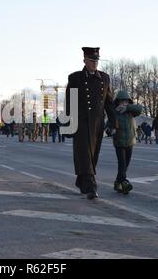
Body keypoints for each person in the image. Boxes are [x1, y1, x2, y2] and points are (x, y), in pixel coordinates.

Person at [65, 47, 116, 200]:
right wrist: (68, 123)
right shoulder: (75, 78)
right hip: (81, 122)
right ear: (85, 60)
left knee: (93, 155)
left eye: (96, 60)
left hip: (98, 123)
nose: (95, 63)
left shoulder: (105, 78)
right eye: (92, 60)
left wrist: (114, 122)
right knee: (85, 155)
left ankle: (81, 180)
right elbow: (70, 102)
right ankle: (90, 187)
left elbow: (109, 103)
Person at [108, 91, 142, 195]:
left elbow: (139, 108)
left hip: (130, 141)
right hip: (119, 142)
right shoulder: (114, 113)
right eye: (122, 101)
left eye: (126, 101)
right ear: (118, 102)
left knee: (126, 164)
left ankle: (118, 183)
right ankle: (124, 182)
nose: (124, 103)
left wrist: (127, 108)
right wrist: (110, 130)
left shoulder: (130, 112)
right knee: (122, 164)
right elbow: (108, 125)